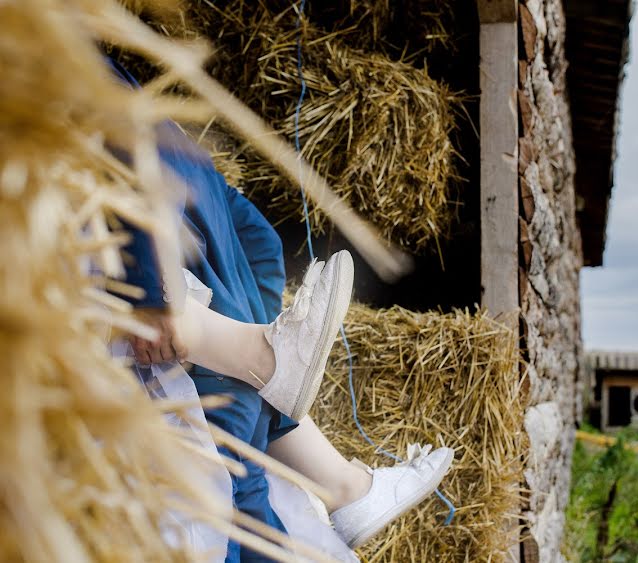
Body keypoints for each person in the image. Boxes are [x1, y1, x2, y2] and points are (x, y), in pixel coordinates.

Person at [109, 60, 454, 560]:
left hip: (191, 197)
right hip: (167, 227)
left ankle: (288, 405)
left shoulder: (69, 49)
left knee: (239, 457)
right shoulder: (46, 50)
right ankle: (333, 471)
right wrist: (153, 291)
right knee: (233, 475)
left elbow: (261, 246)